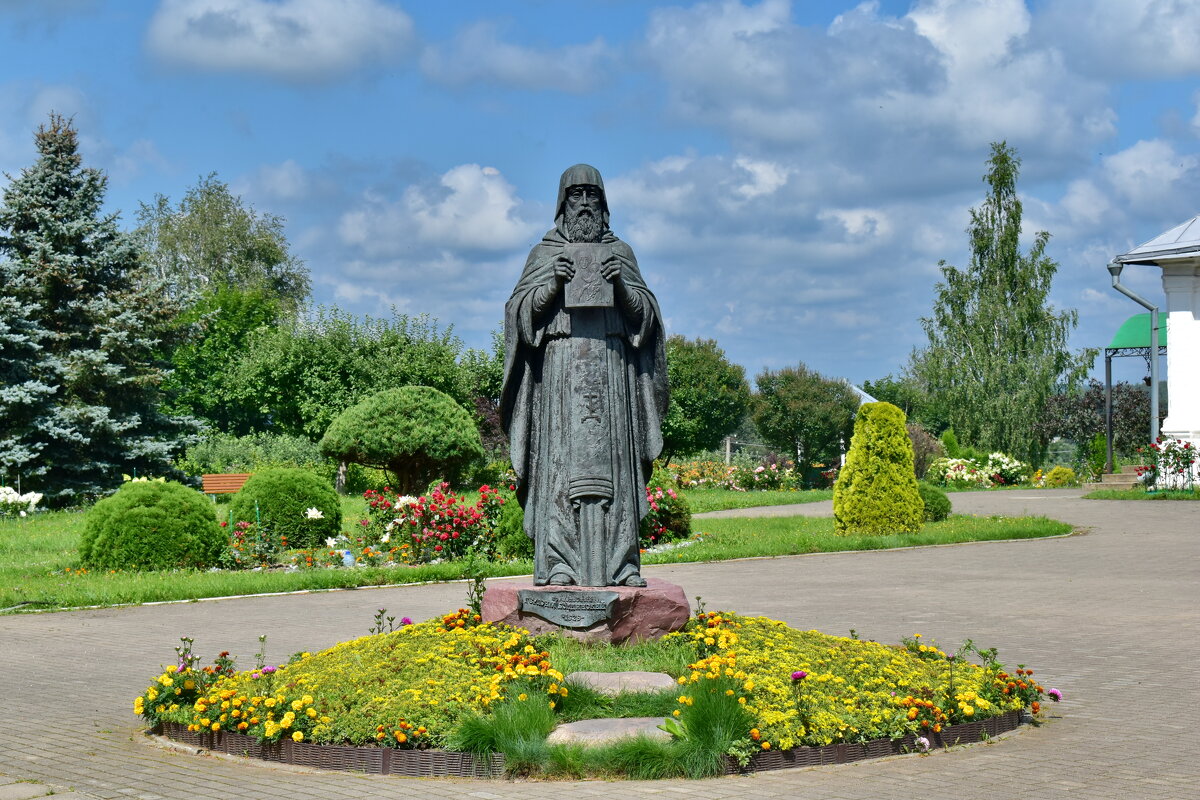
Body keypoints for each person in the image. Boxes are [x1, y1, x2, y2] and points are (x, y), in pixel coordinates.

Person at [501, 164, 667, 587]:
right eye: (576, 195)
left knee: (616, 468)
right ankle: (559, 563)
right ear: (562, 205)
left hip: (612, 372)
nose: (585, 203)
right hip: (560, 375)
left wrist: (624, 291)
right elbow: (519, 314)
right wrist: (551, 286)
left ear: (604, 204)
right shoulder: (543, 255)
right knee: (558, 467)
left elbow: (647, 316)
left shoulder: (620, 253)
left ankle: (622, 563)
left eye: (593, 196)